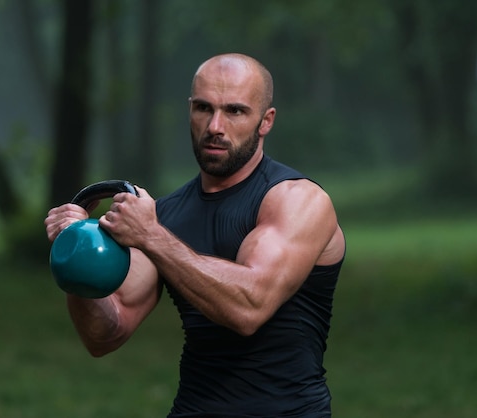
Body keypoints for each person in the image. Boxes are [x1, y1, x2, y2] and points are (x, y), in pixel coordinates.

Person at [45, 53, 346, 417]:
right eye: (204, 108)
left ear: (266, 121)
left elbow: (249, 307)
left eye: (234, 111)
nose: (215, 126)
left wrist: (153, 236)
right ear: (190, 110)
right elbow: (104, 335)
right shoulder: (166, 215)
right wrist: (76, 258)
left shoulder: (296, 200)